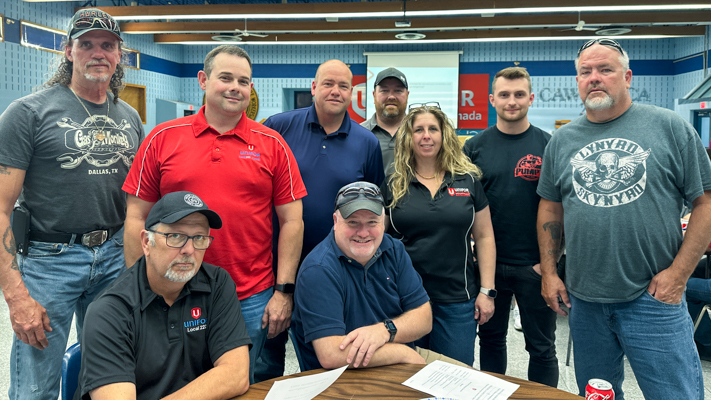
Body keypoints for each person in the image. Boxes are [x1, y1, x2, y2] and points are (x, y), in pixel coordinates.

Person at [537, 38, 711, 399]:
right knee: (598, 395)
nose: (594, 78)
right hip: (585, 304)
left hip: (653, 300)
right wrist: (551, 273)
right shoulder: (562, 140)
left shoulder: (669, 127)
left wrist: (679, 276)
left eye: (605, 70)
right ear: (578, 81)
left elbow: (705, 201)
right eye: (586, 72)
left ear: (627, 76)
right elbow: (551, 207)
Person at [122, 45, 306, 384]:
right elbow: (136, 217)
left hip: (250, 295)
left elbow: (292, 221)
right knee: (174, 378)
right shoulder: (162, 139)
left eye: (243, 81)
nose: (235, 87)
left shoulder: (272, 144)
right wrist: (141, 287)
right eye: (226, 78)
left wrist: (283, 291)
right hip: (173, 291)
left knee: (242, 383)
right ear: (203, 80)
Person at [0, 8, 143, 400]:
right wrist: (16, 296)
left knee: (106, 374)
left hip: (114, 257)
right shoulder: (28, 113)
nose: (98, 53)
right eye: (87, 44)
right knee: (36, 385)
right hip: (49, 263)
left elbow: (137, 200)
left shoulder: (129, 117)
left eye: (108, 45)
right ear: (68, 51)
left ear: (119, 56)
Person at [256, 59, 384, 380]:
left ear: (352, 93)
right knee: (265, 359)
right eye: (327, 83)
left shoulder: (366, 142)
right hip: (274, 264)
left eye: (343, 86)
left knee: (326, 362)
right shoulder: (278, 127)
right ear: (314, 87)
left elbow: (373, 207)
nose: (335, 91)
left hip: (336, 272)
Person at [77, 191, 251, 400]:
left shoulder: (217, 284)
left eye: (199, 238)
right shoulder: (109, 311)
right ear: (146, 242)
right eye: (175, 236)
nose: (189, 249)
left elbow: (237, 375)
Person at [292, 182, 457, 371]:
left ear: (383, 221)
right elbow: (331, 355)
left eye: (372, 222)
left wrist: (384, 331)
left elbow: (424, 318)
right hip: (342, 375)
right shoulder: (318, 269)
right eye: (353, 222)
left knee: (476, 384)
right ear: (336, 221)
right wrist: (403, 354)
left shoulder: (394, 250)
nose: (363, 233)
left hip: (395, 354)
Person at [463, 67, 558, 387]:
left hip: (534, 267)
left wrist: (549, 265)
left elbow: (564, 209)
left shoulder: (550, 145)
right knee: (490, 341)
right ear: (492, 100)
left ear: (531, 98)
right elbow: (463, 206)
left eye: (519, 95)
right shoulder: (474, 148)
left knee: (542, 348)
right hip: (487, 267)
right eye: (504, 94)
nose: (512, 101)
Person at [381, 104, 496, 366]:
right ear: (408, 138)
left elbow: (485, 236)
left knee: (456, 378)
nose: (426, 135)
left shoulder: (467, 180)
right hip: (405, 299)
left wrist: (487, 291)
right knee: (407, 378)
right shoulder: (393, 183)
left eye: (433, 129)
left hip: (456, 299)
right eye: (418, 130)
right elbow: (377, 238)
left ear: (444, 135)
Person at [361, 67, 410, 175]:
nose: (391, 96)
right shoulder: (358, 134)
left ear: (407, 95)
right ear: (374, 96)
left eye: (398, 91)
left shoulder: (420, 133)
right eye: (384, 91)